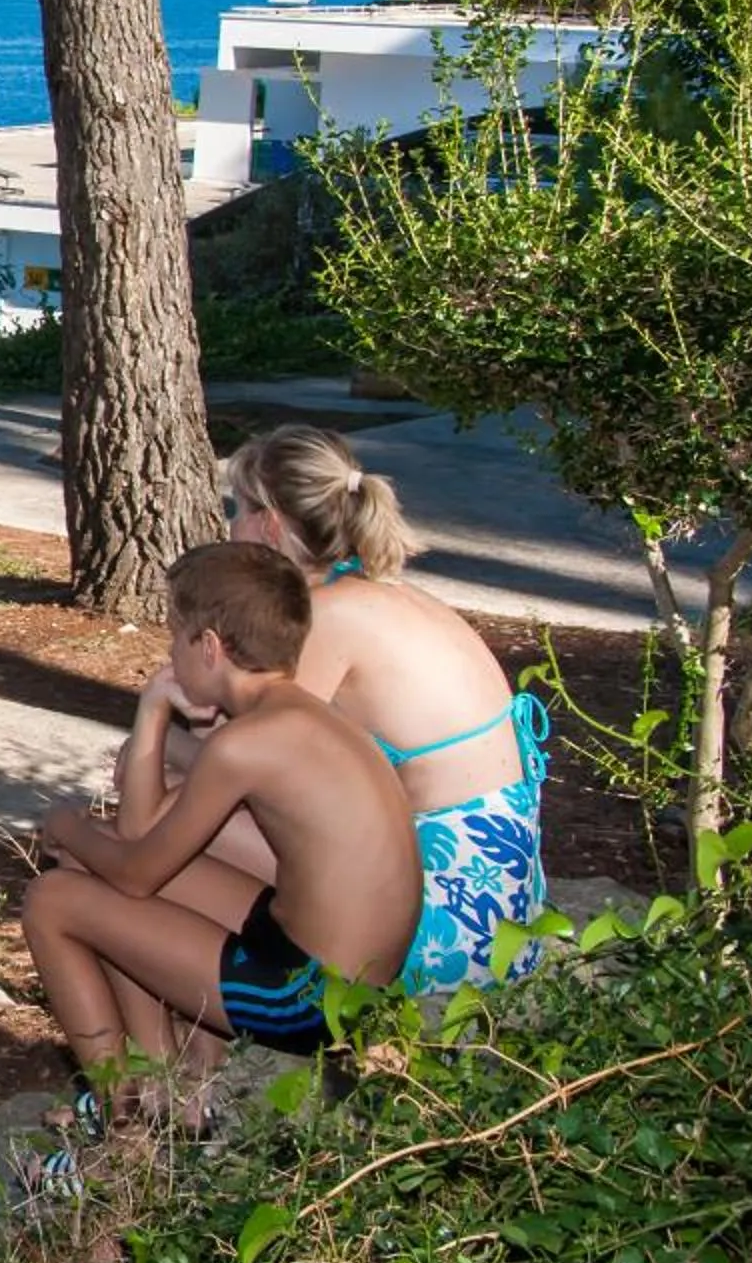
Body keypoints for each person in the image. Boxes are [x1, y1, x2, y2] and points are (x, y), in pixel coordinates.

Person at [25, 542, 420, 1113]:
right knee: (95, 856)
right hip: (336, 968)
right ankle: (175, 1082)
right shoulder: (305, 717)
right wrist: (154, 713)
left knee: (53, 899)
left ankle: (131, 1124)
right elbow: (139, 835)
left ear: (208, 647)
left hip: (309, 998)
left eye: (174, 637)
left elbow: (138, 873)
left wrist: (66, 822)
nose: (168, 655)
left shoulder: (245, 745)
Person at [163, 425, 545, 993]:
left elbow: (243, 764)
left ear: (269, 525)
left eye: (236, 509)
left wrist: (156, 734)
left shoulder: (321, 619)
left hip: (441, 919)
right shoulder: (376, 591)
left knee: (162, 815)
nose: (230, 526)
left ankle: (198, 1041)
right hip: (504, 905)